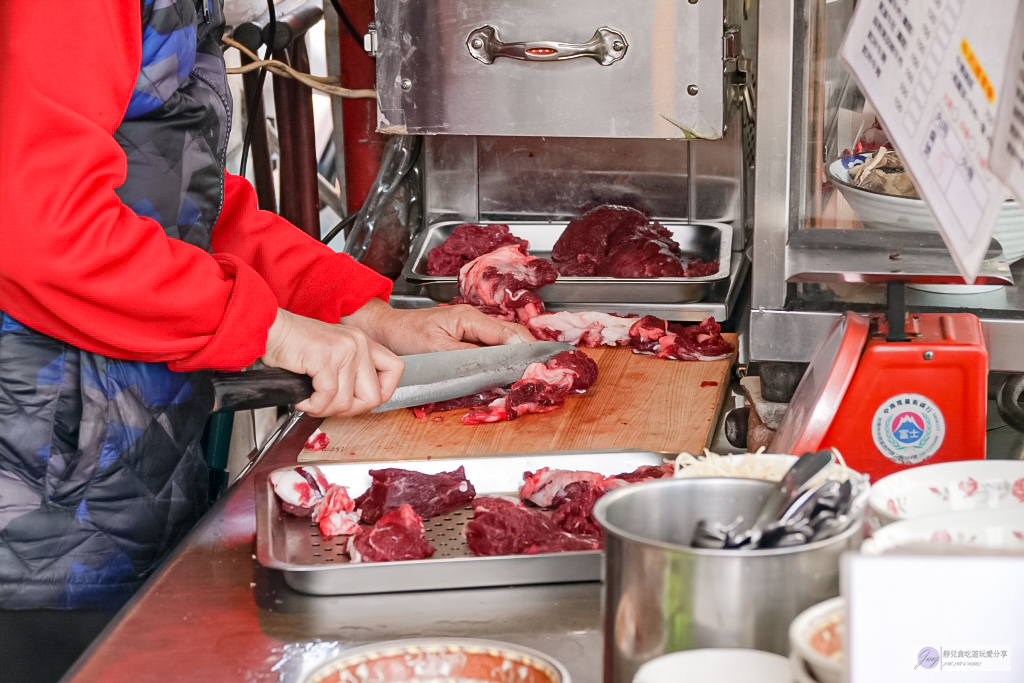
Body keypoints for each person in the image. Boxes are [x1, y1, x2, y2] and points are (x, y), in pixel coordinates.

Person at [0, 2, 533, 680]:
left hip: (107, 481)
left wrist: (362, 311)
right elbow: (40, 231)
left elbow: (168, 197)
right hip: (33, 525)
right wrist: (272, 330)